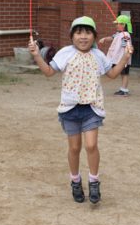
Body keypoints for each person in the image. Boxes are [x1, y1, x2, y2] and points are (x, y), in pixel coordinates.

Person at [28, 16, 133, 204]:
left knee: (91, 146)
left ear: (94, 36)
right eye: (78, 33)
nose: (83, 37)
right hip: (70, 109)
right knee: (74, 148)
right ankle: (75, 181)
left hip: (92, 108)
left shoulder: (98, 55)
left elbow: (112, 74)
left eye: (87, 33)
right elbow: (49, 72)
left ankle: (94, 182)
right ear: (72, 36)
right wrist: (36, 55)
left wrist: (125, 56)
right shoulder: (65, 53)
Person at [98, 15, 133, 96]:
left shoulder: (125, 35)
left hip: (122, 58)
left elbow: (127, 45)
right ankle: (123, 89)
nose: (116, 25)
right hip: (117, 58)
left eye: (118, 24)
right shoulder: (118, 34)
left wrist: (126, 52)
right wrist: (104, 39)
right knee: (121, 73)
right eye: (116, 24)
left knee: (124, 73)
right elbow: (111, 38)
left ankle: (124, 90)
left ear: (124, 25)